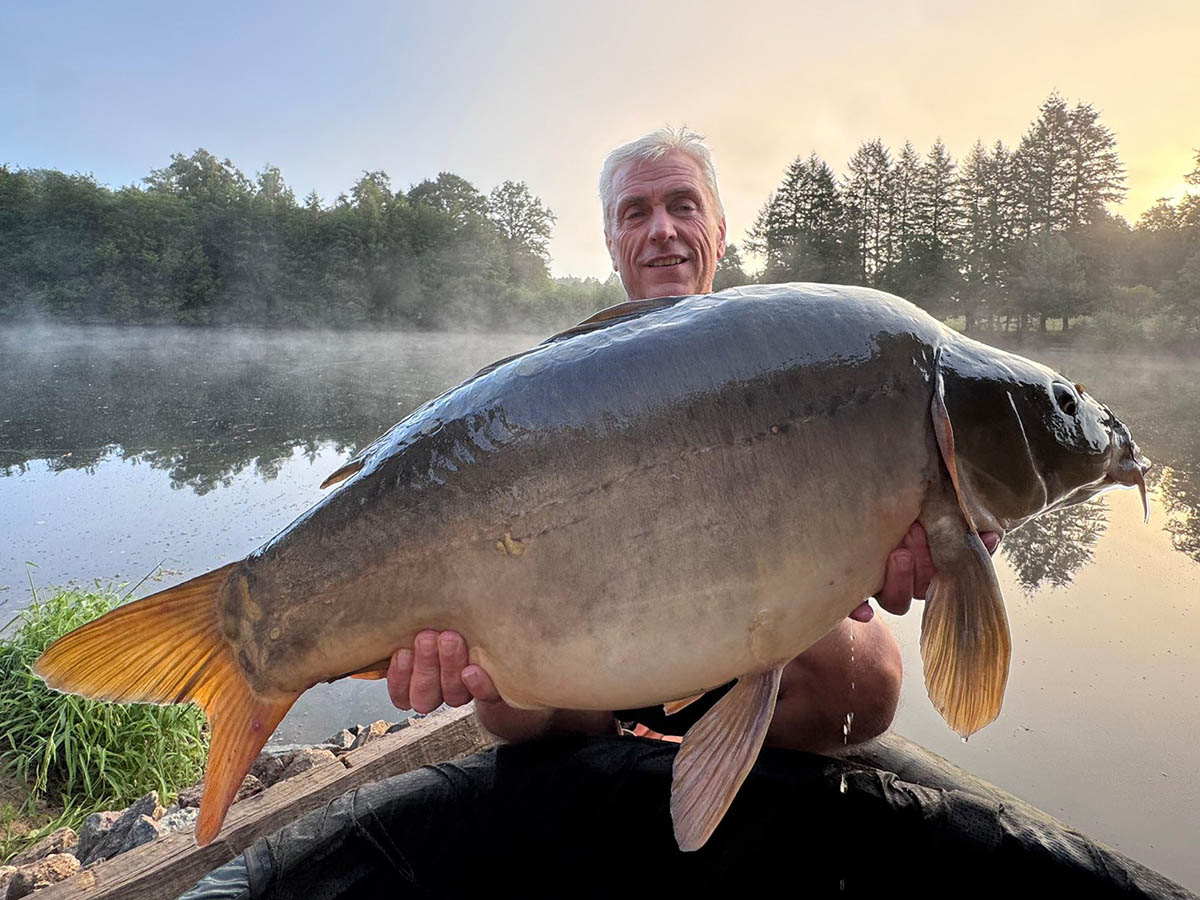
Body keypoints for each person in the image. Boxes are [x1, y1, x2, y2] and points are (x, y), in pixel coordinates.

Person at [385, 127, 998, 750]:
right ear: (612, 245)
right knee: (509, 711)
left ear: (720, 231)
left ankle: (704, 756)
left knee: (868, 681)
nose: (662, 230)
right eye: (636, 213)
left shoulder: (784, 355)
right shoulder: (560, 379)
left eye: (683, 205)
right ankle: (619, 747)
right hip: (592, 647)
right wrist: (477, 665)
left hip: (753, 625)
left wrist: (878, 557)